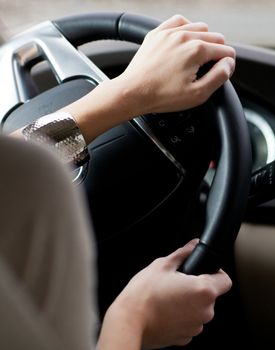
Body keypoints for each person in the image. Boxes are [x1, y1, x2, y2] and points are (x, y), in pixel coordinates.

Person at [1, 14, 234, 350]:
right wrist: (134, 321)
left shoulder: (23, 172)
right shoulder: (36, 180)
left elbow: (14, 166)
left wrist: (127, 93)